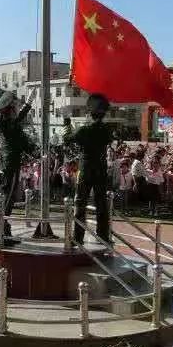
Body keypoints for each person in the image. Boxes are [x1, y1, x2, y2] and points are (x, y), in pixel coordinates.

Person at [63, 93, 114, 245]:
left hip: (86, 168)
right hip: (101, 168)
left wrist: (66, 122)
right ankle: (103, 235)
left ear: (90, 113)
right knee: (101, 203)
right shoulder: (107, 130)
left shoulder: (84, 130)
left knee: (80, 203)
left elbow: (67, 138)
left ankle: (78, 237)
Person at [0, 88, 36, 245]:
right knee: (8, 200)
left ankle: (0, 231)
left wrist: (29, 104)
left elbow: (18, 119)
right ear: (10, 110)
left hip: (5, 165)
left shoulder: (6, 122)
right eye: (16, 106)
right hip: (10, 166)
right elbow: (23, 141)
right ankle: (1, 235)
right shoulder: (10, 125)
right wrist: (36, 153)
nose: (18, 108)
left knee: (4, 200)